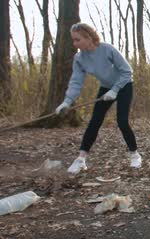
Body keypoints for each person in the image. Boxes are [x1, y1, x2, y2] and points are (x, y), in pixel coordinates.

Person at [55, 22, 141, 174]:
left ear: (88, 37)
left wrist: (115, 90)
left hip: (124, 85)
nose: (75, 43)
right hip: (106, 87)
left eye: (77, 39)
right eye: (73, 40)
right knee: (95, 121)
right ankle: (81, 159)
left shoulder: (107, 49)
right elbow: (76, 82)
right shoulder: (79, 58)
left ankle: (135, 155)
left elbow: (127, 71)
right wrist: (67, 102)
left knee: (122, 121)